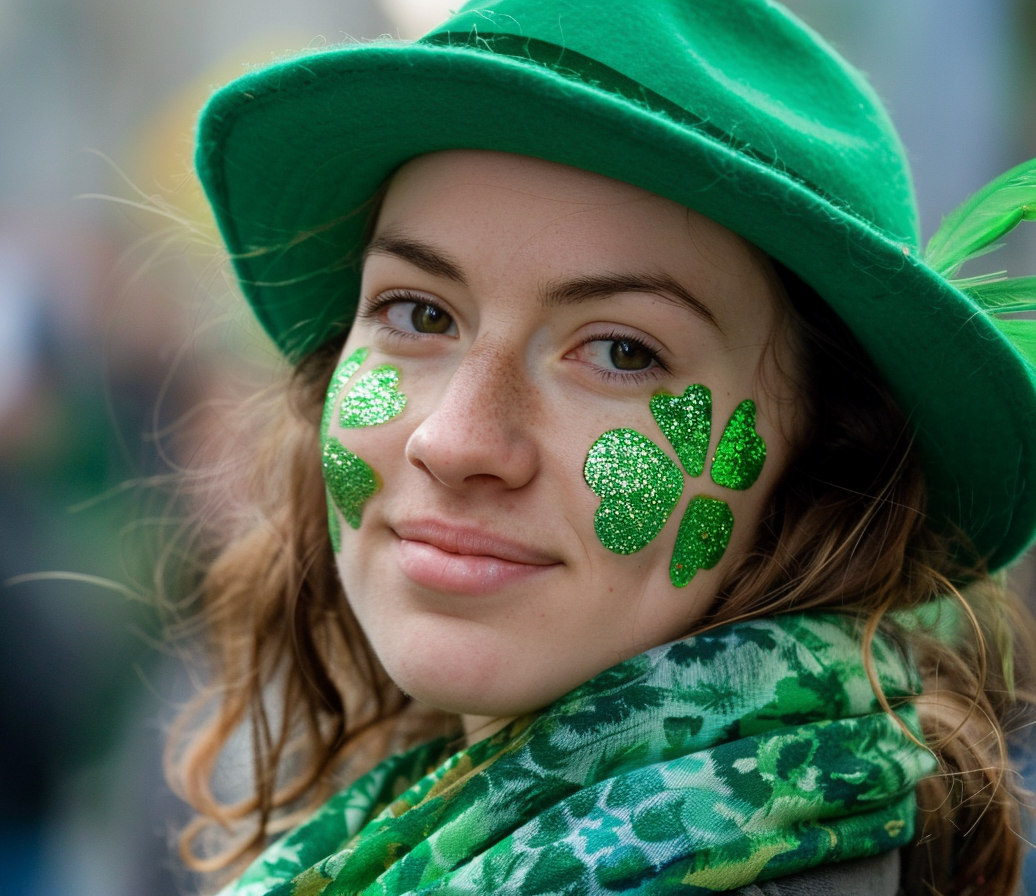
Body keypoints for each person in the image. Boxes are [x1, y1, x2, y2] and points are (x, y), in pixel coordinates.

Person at [170, 2, 1036, 894]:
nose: (456, 440)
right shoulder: (418, 839)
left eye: (623, 352)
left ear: (823, 457)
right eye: (418, 313)